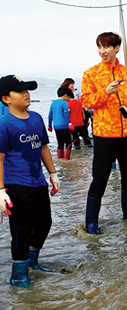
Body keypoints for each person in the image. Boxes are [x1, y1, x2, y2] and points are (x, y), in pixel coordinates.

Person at [0, 75, 60, 287]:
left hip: (38, 182)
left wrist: (53, 175)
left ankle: (32, 263)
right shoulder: (4, 124)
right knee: (21, 230)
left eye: (28, 90)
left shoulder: (35, 118)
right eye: (20, 91)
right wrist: (0, 190)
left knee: (44, 223)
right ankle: (18, 276)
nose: (26, 94)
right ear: (6, 99)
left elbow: (44, 147)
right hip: (15, 185)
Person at [80, 32, 127, 235]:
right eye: (99, 46)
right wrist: (105, 92)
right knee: (100, 177)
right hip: (104, 134)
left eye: (106, 46)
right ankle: (91, 223)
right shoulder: (91, 74)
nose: (102, 51)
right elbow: (87, 102)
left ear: (116, 48)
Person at [48, 87, 74, 160]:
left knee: (60, 143)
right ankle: (66, 159)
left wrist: (49, 125)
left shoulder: (53, 103)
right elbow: (66, 114)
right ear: (65, 95)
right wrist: (69, 123)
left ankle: (60, 158)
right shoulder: (65, 103)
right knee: (68, 142)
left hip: (56, 126)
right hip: (64, 126)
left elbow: (50, 115)